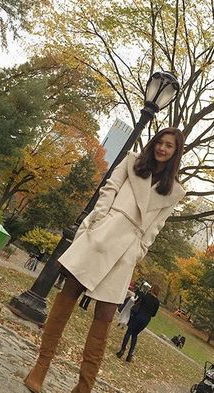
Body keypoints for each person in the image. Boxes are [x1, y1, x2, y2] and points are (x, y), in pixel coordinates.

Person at [24, 127, 186, 393]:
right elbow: (108, 190)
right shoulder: (133, 161)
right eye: (160, 142)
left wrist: (139, 249)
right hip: (102, 235)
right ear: (154, 143)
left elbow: (156, 227)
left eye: (169, 146)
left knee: (106, 316)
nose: (162, 148)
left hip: (126, 252)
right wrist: (99, 222)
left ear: (175, 152)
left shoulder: (174, 191)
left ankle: (84, 387)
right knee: (67, 299)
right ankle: (40, 367)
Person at [116, 284, 160, 362]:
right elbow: (154, 314)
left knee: (128, 332)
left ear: (152, 289)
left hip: (137, 315)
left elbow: (137, 301)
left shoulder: (146, 296)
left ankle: (122, 350)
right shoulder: (157, 302)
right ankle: (130, 354)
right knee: (135, 335)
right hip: (146, 320)